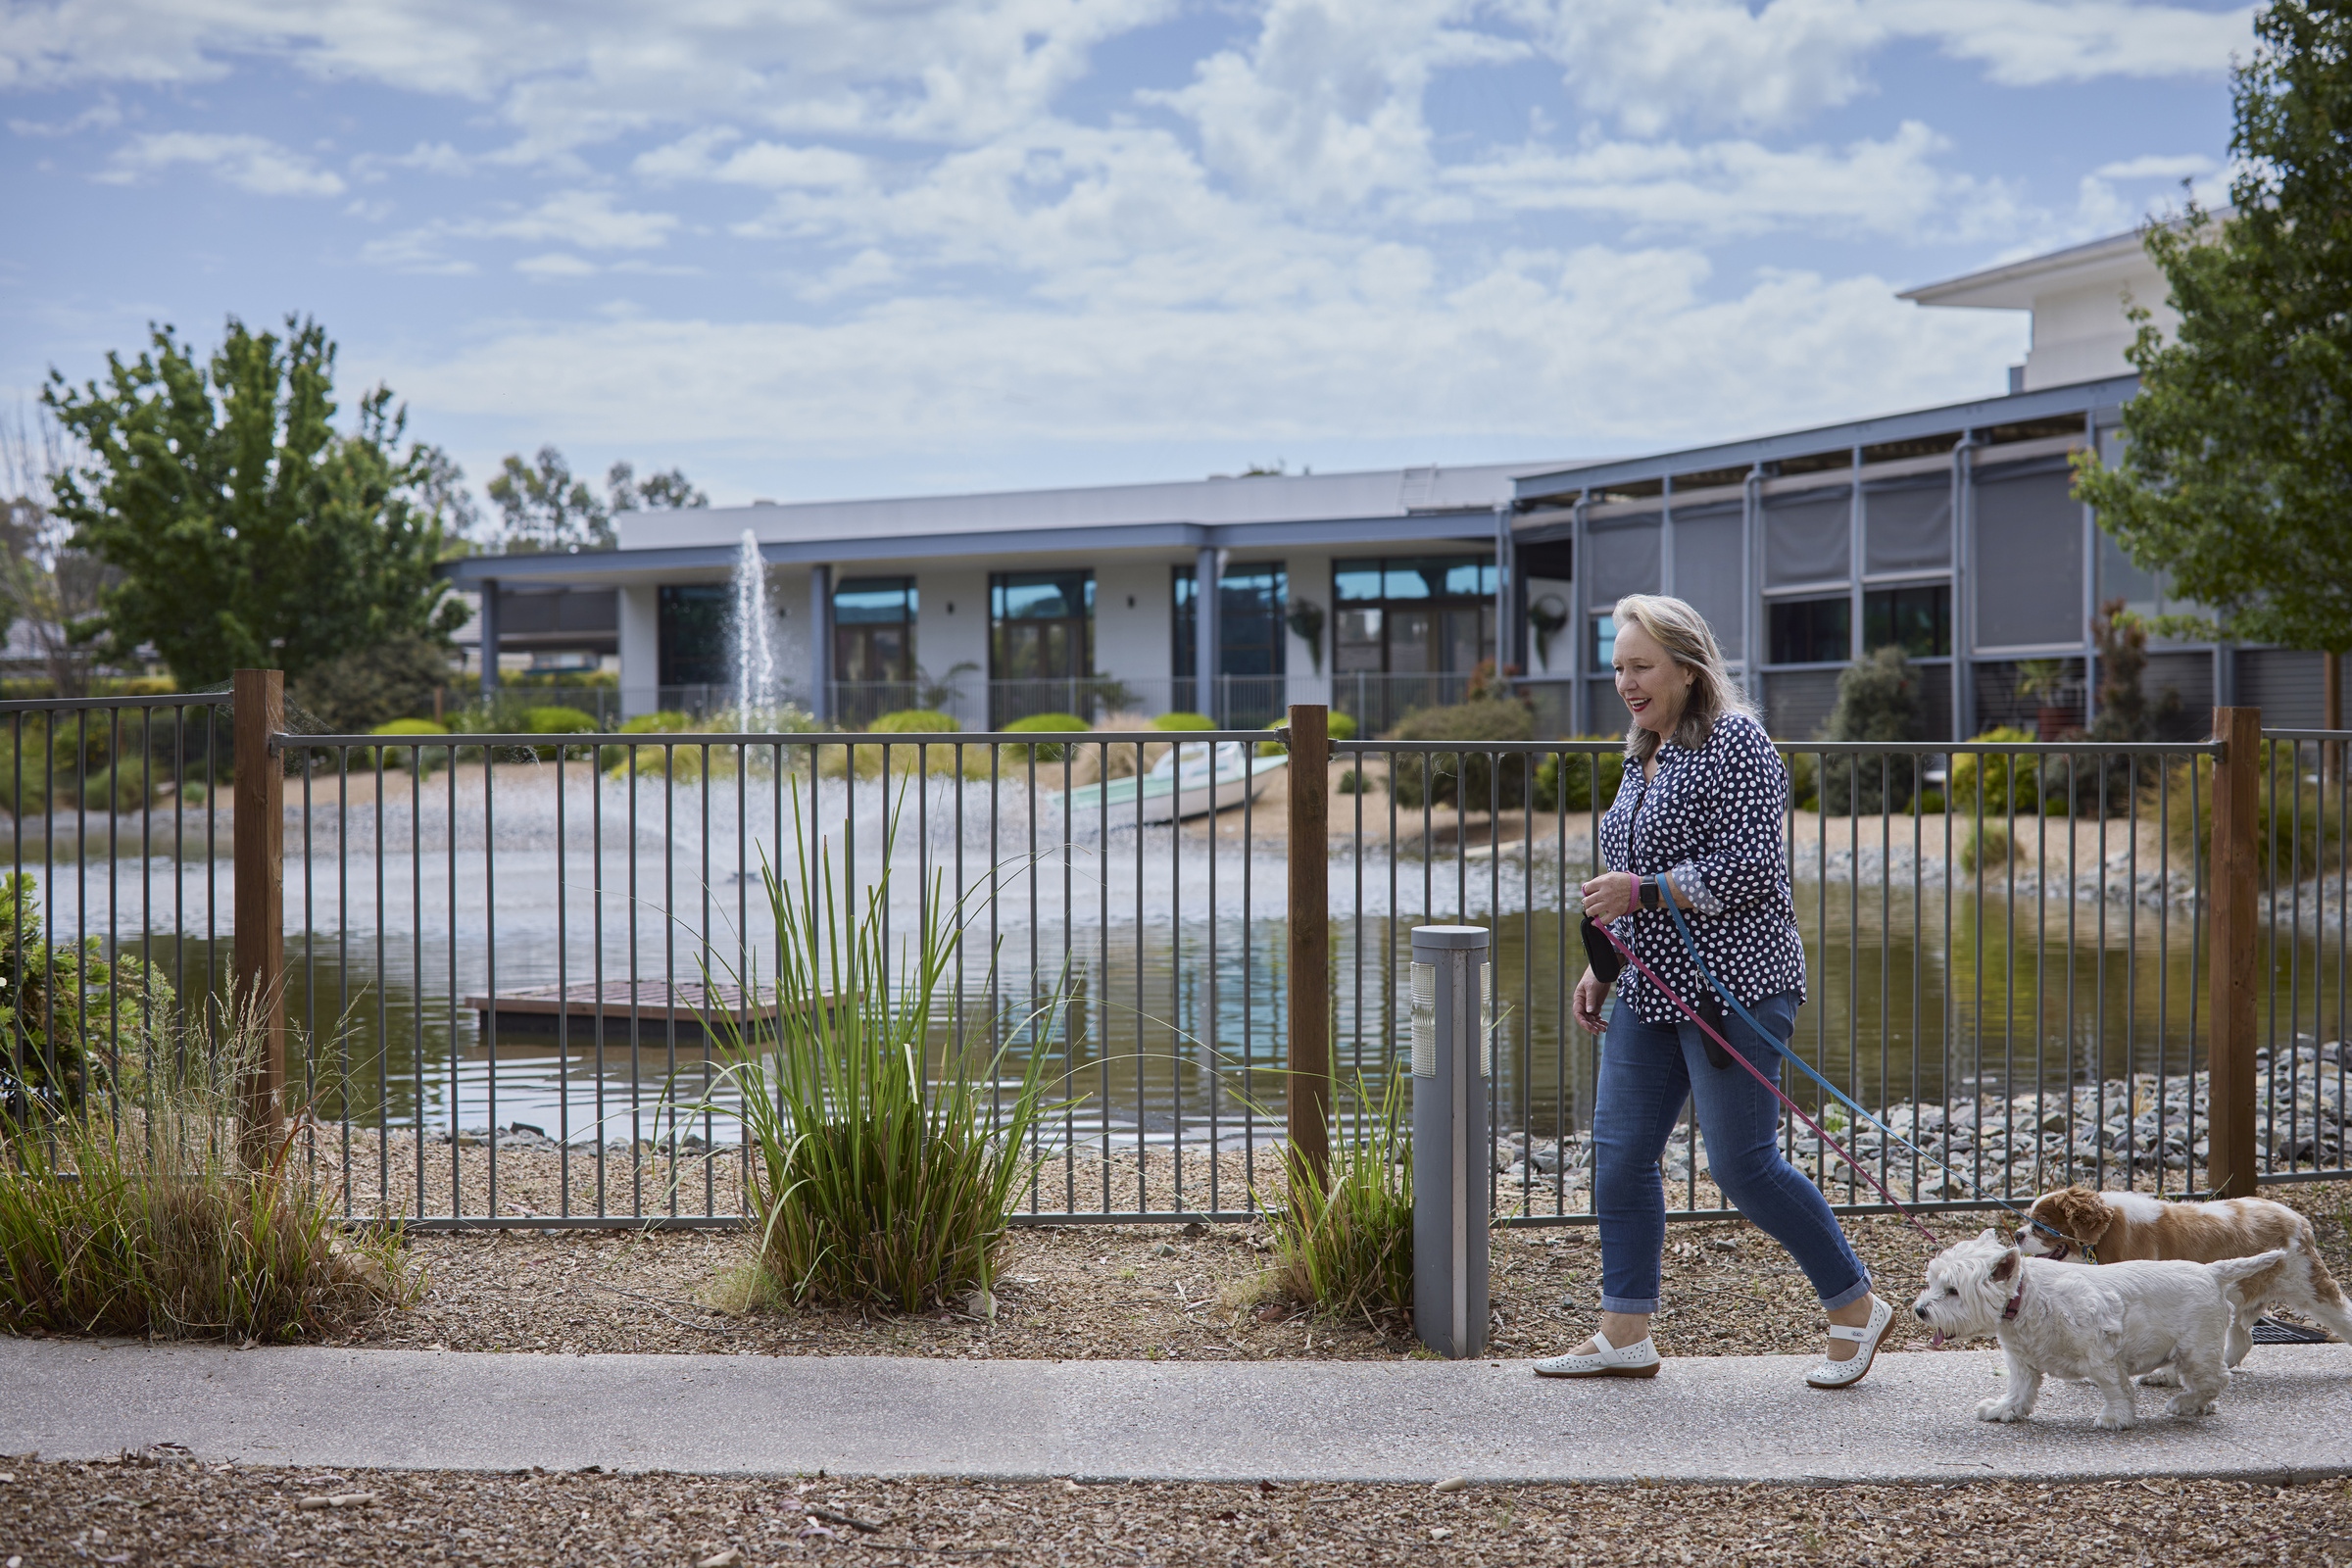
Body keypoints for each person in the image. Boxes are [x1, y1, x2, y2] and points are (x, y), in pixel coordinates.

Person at [1533, 593, 1892, 1389]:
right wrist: (1605, 965)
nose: (1626, 683)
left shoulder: (1738, 742)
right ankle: (1624, 1332)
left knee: (1744, 1166)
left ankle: (1857, 1307)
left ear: (1689, 669)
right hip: (1650, 992)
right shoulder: (1641, 752)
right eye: (1618, 668)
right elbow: (1631, 880)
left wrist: (1645, 892)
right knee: (1620, 1158)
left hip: (1737, 990)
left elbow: (1755, 867)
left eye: (1642, 667)